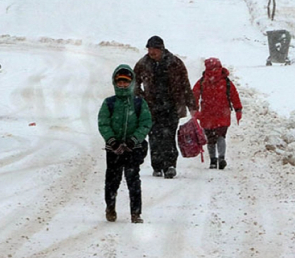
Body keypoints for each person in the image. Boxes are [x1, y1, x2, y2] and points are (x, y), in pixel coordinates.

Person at [134, 36, 197, 178]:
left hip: (171, 107)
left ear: (161, 49)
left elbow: (185, 85)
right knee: (154, 137)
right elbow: (134, 83)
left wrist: (191, 105)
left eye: (154, 49)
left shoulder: (175, 63)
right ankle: (157, 165)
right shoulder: (143, 63)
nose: (151, 52)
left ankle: (170, 166)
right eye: (149, 49)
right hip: (151, 107)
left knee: (168, 137)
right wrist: (140, 98)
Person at [98, 64, 152, 223]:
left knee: (133, 180)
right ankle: (110, 207)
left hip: (133, 149)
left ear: (132, 83)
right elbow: (103, 123)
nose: (122, 85)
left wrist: (134, 140)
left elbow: (145, 123)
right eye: (120, 82)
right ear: (115, 83)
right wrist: (112, 141)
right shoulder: (109, 103)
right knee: (112, 181)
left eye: (126, 82)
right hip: (113, 150)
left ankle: (136, 213)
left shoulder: (139, 103)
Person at [192, 57, 242, 169]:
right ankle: (221, 157)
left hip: (207, 114)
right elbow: (234, 96)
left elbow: (194, 95)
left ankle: (213, 160)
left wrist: (194, 109)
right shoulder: (226, 82)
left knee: (211, 139)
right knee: (221, 136)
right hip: (222, 114)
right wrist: (238, 109)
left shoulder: (202, 81)